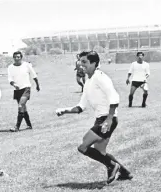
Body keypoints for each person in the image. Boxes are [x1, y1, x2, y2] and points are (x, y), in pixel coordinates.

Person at [56, 51, 133, 184]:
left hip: (107, 119)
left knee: (83, 145)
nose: (81, 64)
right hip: (101, 119)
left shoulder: (100, 77)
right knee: (100, 151)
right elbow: (81, 106)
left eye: (84, 62)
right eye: (80, 61)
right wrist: (65, 111)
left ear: (94, 63)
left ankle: (112, 166)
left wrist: (109, 119)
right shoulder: (88, 82)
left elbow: (114, 97)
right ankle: (125, 173)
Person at [8, 51, 40, 132]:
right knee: (23, 108)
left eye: (18, 57)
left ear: (21, 57)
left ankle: (17, 127)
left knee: (20, 105)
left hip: (26, 88)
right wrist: (14, 84)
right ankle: (29, 125)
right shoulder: (10, 67)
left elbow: (34, 75)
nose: (16, 58)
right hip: (17, 90)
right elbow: (10, 79)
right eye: (15, 57)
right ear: (13, 58)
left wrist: (37, 85)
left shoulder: (26, 65)